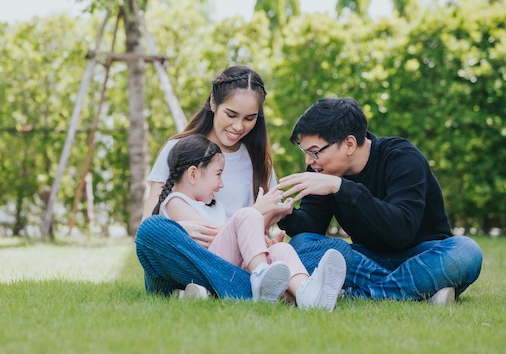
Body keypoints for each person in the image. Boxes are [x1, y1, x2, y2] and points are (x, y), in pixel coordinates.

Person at [135, 65, 353, 301]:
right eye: (231, 115)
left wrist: (267, 230)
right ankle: (276, 291)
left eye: (249, 118)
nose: (239, 126)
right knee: (152, 231)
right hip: (187, 260)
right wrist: (181, 230)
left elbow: (253, 233)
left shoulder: (259, 162)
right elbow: (148, 223)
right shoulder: (179, 149)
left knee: (337, 250)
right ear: (213, 103)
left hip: (241, 260)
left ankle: (240, 289)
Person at [276, 97, 483, 305]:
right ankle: (420, 291)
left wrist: (341, 187)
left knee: (466, 252)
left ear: (349, 143)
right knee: (300, 245)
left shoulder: (402, 157)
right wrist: (284, 213)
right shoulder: (320, 169)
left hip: (423, 256)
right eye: (305, 153)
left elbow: (400, 232)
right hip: (366, 261)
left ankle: (359, 293)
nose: (309, 161)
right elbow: (312, 227)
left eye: (314, 152)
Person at [154, 134, 346, 309]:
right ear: (193, 174)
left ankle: (307, 293)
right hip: (210, 268)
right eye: (218, 174)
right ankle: (261, 275)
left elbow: (236, 236)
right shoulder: (175, 202)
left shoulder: (214, 207)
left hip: (232, 266)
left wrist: (272, 219)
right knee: (247, 214)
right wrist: (257, 210)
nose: (221, 184)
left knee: (281, 250)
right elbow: (214, 236)